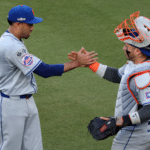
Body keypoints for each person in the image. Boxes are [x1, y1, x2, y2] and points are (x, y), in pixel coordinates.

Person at [0, 5, 98, 150]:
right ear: (18, 24)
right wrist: (76, 63)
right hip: (11, 105)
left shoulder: (14, 41)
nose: (32, 27)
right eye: (30, 24)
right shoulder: (10, 46)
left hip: (27, 101)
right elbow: (44, 70)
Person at [68, 11, 150, 150]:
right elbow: (117, 75)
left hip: (134, 137)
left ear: (137, 51)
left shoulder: (143, 74)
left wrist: (118, 121)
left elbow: (149, 109)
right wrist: (90, 64)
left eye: (127, 46)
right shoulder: (136, 66)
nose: (124, 48)